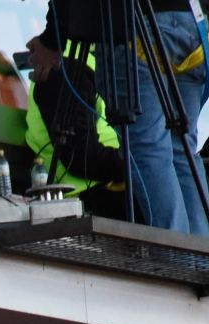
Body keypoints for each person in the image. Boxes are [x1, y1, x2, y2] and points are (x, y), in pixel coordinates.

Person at [33, 0, 209, 236]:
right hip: (193, 24)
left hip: (131, 24)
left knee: (148, 150)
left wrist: (51, 38)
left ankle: (178, 257)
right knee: (182, 148)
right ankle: (204, 255)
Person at [23, 38, 127, 220]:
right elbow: (80, 157)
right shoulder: (66, 67)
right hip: (85, 203)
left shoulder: (99, 61)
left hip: (109, 189)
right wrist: (141, 166)